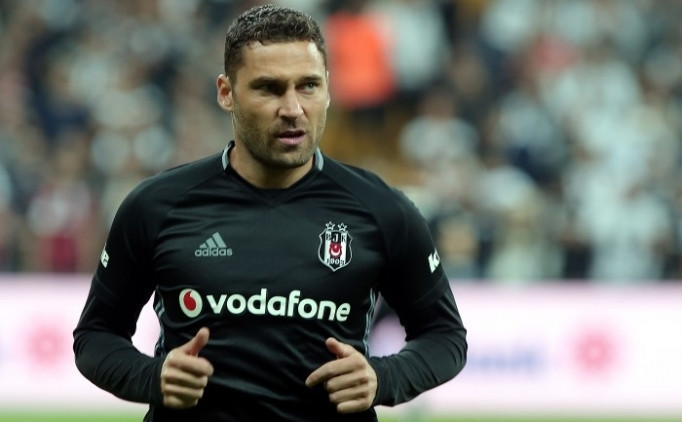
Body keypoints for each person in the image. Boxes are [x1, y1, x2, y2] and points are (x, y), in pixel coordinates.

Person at [73, 4, 467, 422]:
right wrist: (151, 377)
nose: (293, 108)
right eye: (269, 88)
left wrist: (383, 378)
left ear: (329, 89)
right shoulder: (157, 206)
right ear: (226, 92)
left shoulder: (382, 210)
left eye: (309, 86)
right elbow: (96, 336)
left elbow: (445, 336)